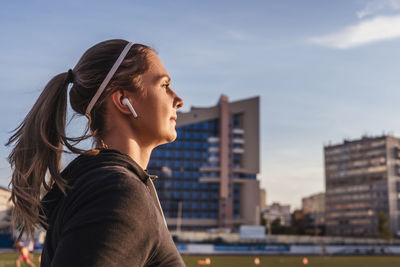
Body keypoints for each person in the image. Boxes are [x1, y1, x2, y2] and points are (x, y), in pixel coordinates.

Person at [7, 39, 185, 266]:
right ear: (123, 100)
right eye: (164, 85)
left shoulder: (104, 184)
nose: (178, 100)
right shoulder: (117, 193)